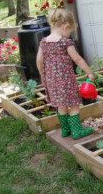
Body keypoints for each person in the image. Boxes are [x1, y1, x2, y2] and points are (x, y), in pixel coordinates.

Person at [36, 9, 94, 140]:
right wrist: (89, 72)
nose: (69, 35)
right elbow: (78, 59)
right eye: (70, 32)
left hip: (51, 81)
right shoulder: (65, 43)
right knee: (73, 104)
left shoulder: (43, 42)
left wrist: (42, 75)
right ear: (66, 26)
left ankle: (65, 130)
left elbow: (39, 60)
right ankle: (77, 131)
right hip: (66, 81)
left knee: (60, 105)